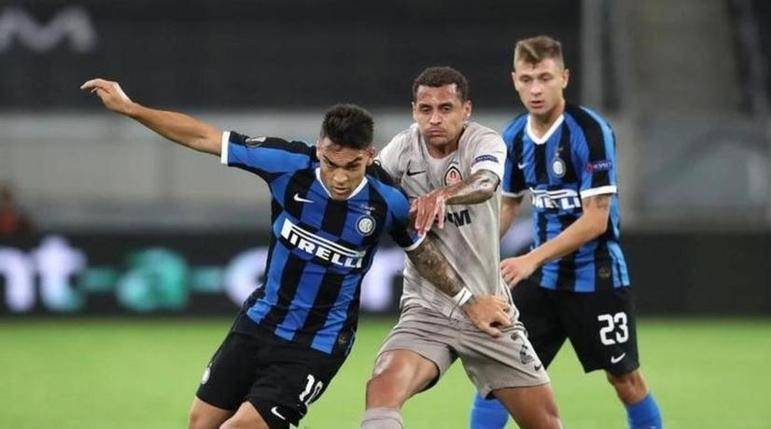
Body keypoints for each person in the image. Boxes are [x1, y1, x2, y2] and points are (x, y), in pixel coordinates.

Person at [80, 78, 510, 429]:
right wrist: (131, 109)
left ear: (369, 157)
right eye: (330, 163)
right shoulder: (287, 164)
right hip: (257, 323)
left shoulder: (388, 201)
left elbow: (422, 253)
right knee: (201, 422)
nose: (339, 178)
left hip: (316, 344)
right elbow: (203, 136)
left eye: (351, 166)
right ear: (319, 147)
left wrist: (469, 302)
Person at [469, 36, 663, 429]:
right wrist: (478, 255)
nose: (536, 89)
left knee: (624, 379)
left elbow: (596, 219)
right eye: (527, 79)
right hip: (543, 280)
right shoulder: (515, 136)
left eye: (545, 78)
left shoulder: (589, 131)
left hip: (596, 276)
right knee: (499, 376)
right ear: (515, 80)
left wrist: (531, 258)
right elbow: (508, 205)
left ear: (564, 78)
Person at [361, 67, 562, 429]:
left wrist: (441, 195)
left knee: (545, 423)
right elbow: (368, 191)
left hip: (488, 310)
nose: (435, 119)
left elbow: (485, 183)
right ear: (413, 111)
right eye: (426, 109)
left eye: (446, 108)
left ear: (466, 110)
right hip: (427, 310)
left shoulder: (484, 142)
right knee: (381, 391)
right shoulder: (402, 150)